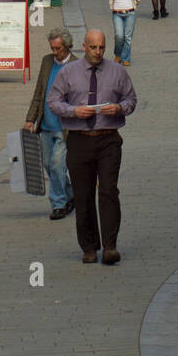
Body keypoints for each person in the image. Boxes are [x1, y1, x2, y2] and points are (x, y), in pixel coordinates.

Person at [47, 29, 137, 264]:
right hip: (79, 138)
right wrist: (73, 111)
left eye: (102, 48)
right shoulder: (68, 73)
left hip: (108, 138)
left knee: (108, 190)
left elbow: (131, 99)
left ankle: (109, 246)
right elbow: (53, 101)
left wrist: (119, 108)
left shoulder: (117, 71)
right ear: (84, 47)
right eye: (93, 47)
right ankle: (88, 246)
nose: (98, 52)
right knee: (83, 194)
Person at [23, 30, 76, 220]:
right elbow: (39, 91)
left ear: (67, 46)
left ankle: (59, 204)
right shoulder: (47, 62)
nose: (55, 52)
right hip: (45, 124)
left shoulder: (77, 65)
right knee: (48, 164)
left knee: (57, 165)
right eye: (52, 48)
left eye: (58, 48)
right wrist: (30, 118)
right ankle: (71, 194)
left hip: (65, 128)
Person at [107, 0, 139, 65]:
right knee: (119, 36)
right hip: (117, 13)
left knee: (127, 37)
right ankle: (118, 54)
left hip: (130, 12)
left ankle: (126, 58)